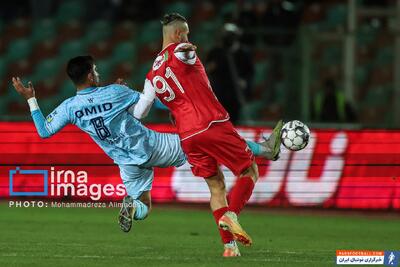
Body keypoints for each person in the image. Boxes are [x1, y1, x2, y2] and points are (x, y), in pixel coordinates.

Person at [11, 55, 276, 243]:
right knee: (207, 140)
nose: (98, 73)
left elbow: (44, 132)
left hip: (125, 161)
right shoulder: (115, 92)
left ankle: (131, 206)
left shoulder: (69, 107)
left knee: (145, 207)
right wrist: (183, 109)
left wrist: (31, 98)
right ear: (90, 74)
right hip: (152, 146)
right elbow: (150, 104)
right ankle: (263, 149)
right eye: (96, 70)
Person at [144, 13, 283, 257]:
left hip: (186, 135)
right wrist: (186, 47)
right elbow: (183, 51)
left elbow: (145, 108)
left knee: (217, 187)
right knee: (249, 170)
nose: (188, 37)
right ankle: (232, 216)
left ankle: (229, 247)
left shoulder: (152, 72)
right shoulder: (181, 49)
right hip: (209, 122)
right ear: (178, 34)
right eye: (185, 33)